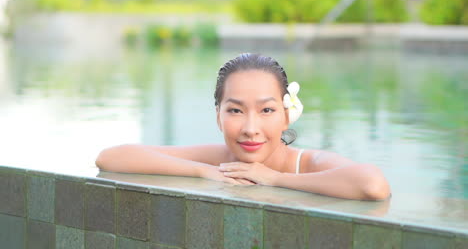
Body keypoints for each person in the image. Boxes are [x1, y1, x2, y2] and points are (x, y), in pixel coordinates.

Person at [96, 53, 391, 201]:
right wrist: (204, 171)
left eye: (267, 110)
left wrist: (274, 179)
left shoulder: (307, 163)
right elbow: (110, 157)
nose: (251, 128)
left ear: (287, 115)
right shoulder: (220, 159)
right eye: (235, 110)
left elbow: (372, 185)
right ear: (218, 116)